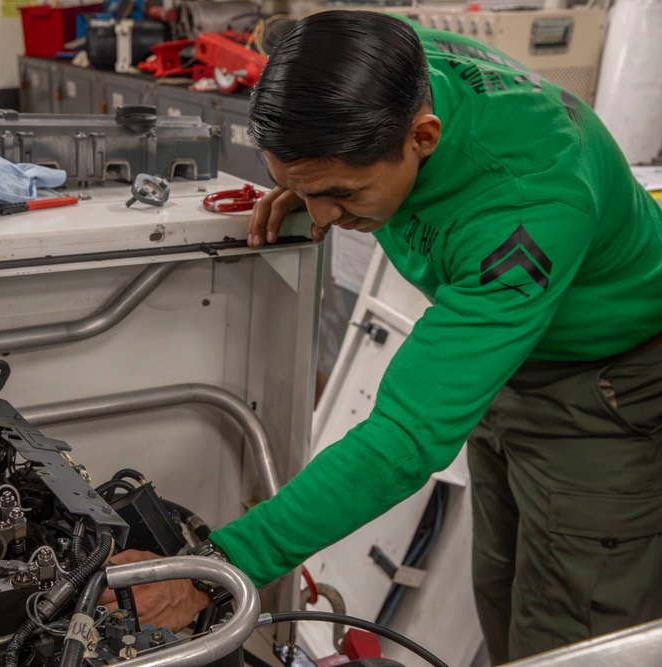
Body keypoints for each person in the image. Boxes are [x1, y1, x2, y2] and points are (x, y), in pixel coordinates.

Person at [101, 10, 662, 664]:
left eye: (340, 193)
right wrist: (313, 187)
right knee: (502, 580)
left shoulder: (529, 203)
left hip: (604, 394)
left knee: (570, 621)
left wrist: (215, 566)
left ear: (423, 137)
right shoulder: (385, 65)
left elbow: (405, 437)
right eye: (297, 186)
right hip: (510, 364)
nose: (318, 215)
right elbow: (287, 34)